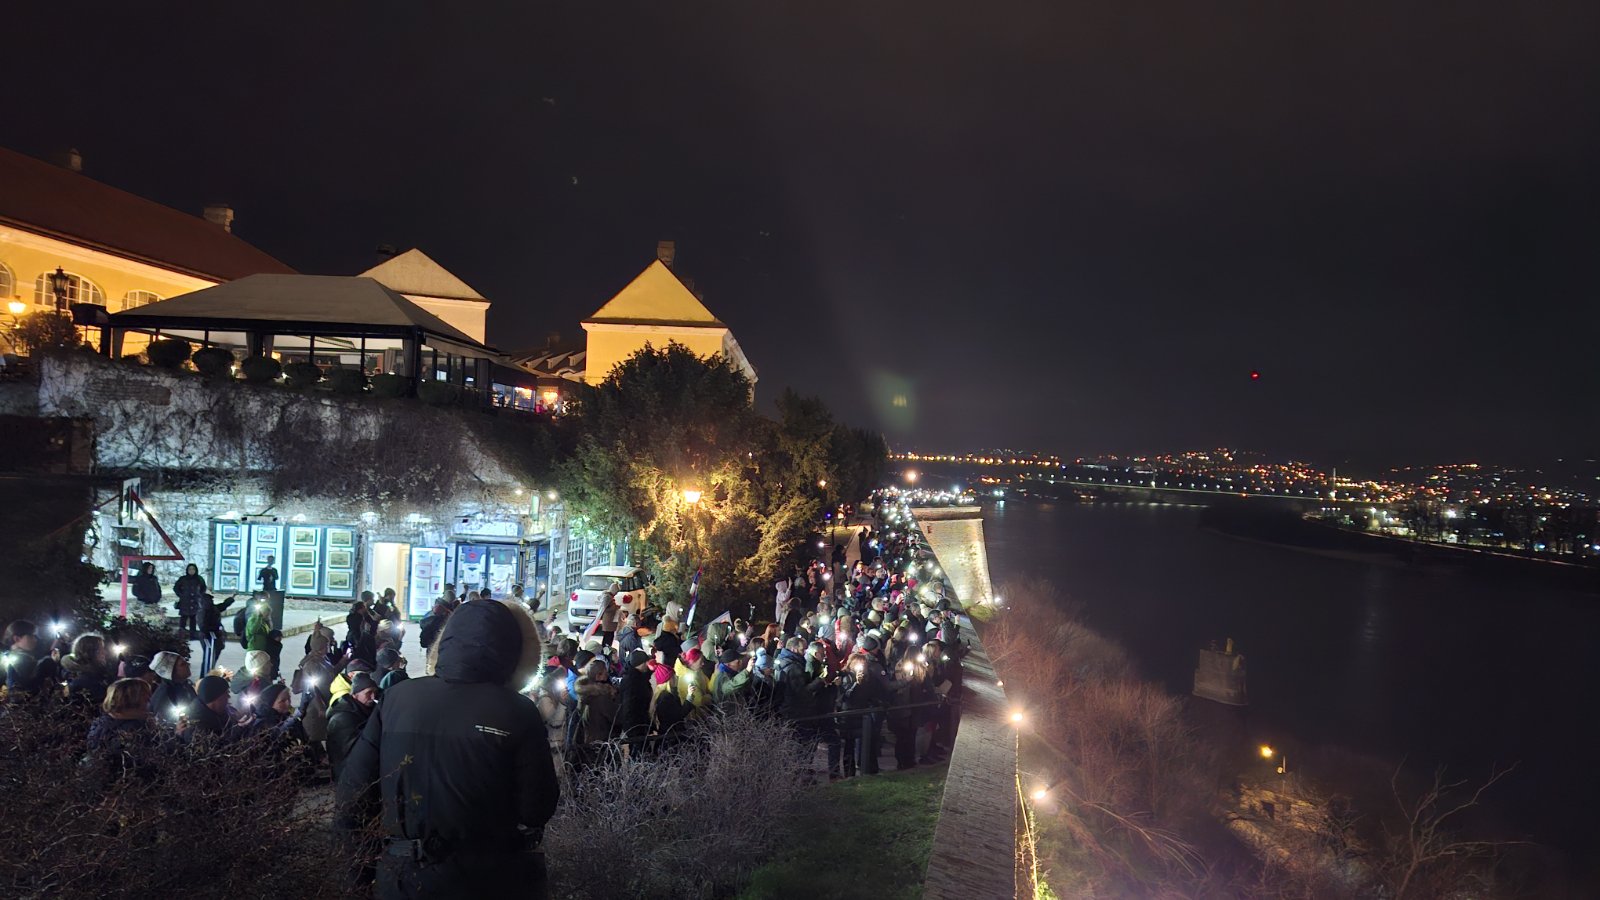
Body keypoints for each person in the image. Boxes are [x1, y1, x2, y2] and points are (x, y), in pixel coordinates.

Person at [335, 598, 556, 898]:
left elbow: (353, 795)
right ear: (515, 651)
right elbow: (536, 807)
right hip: (486, 879)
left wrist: (359, 880)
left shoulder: (397, 698)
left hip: (402, 877)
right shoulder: (517, 711)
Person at [86, 678, 168, 776]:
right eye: (147, 698)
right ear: (133, 701)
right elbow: (153, 765)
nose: (150, 702)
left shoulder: (101, 723)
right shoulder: (133, 733)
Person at [326, 672, 378, 782]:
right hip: (349, 775)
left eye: (374, 692)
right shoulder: (342, 718)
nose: (373, 697)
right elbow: (354, 751)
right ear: (355, 695)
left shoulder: (367, 708)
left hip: (363, 772)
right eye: (368, 693)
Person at [4, 620, 62, 696]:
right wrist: (49, 663)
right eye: (31, 636)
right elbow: (31, 688)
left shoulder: (21, 658)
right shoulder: (17, 662)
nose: (35, 639)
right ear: (17, 639)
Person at [63, 634, 115, 709]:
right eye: (101, 649)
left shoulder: (102, 673)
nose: (104, 653)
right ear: (90, 652)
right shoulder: (80, 682)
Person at [615, 649, 653, 745]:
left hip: (639, 721)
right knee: (639, 748)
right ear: (641, 663)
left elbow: (642, 677)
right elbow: (629, 706)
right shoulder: (632, 682)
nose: (647, 665)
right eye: (646, 662)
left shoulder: (634, 675)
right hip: (635, 725)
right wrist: (633, 728)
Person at [195, 592, 237, 675]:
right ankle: (205, 677)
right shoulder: (203, 612)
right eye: (210, 600)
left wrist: (231, 598)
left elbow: (223, 605)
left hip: (214, 636)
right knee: (209, 658)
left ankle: (208, 675)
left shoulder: (212, 608)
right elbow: (203, 627)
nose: (212, 601)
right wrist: (217, 629)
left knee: (212, 657)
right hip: (209, 637)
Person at [149, 651, 197, 722]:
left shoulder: (186, 686)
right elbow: (163, 724)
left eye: (185, 661)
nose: (188, 664)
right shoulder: (164, 694)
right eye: (182, 664)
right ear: (171, 670)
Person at [187, 674, 235, 741]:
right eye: (227, 693)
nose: (229, 697)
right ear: (217, 697)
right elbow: (217, 747)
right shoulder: (194, 725)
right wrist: (237, 731)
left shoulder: (220, 711)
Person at [174, 563, 206, 637]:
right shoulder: (183, 579)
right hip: (185, 601)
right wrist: (181, 595)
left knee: (193, 619)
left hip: (195, 601)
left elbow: (203, 588)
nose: (191, 571)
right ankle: (181, 634)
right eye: (190, 569)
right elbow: (176, 588)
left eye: (193, 569)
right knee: (183, 618)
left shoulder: (199, 579)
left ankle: (193, 635)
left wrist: (199, 595)